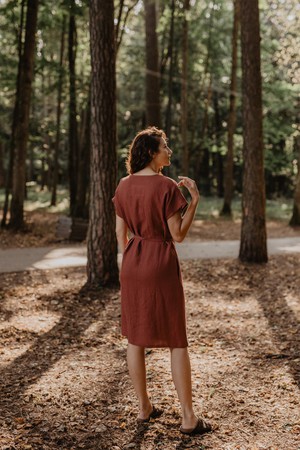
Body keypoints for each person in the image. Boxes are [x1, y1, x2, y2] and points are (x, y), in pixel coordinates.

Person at [112, 127, 212, 435]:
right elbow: (177, 235)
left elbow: (120, 234)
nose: (169, 150)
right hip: (160, 262)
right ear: (153, 153)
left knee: (136, 338)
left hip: (132, 261)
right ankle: (188, 418)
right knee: (175, 339)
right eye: (165, 146)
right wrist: (193, 200)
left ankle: (144, 407)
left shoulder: (124, 184)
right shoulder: (167, 186)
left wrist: (130, 260)